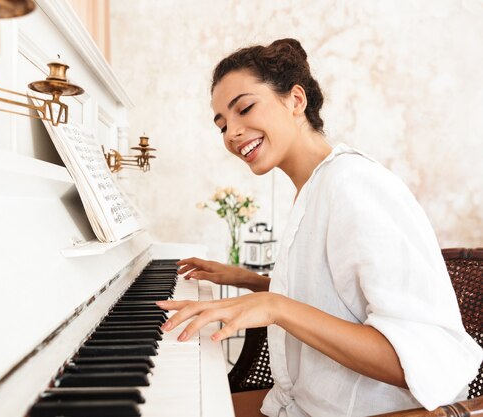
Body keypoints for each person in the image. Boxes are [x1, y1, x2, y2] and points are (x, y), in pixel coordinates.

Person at [156, 38, 482, 417]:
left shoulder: (355, 184)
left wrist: (274, 305)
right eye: (222, 124)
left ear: (296, 100)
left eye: (244, 108)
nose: (232, 132)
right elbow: (340, 299)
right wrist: (253, 282)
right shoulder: (315, 188)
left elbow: (421, 361)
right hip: (299, 404)